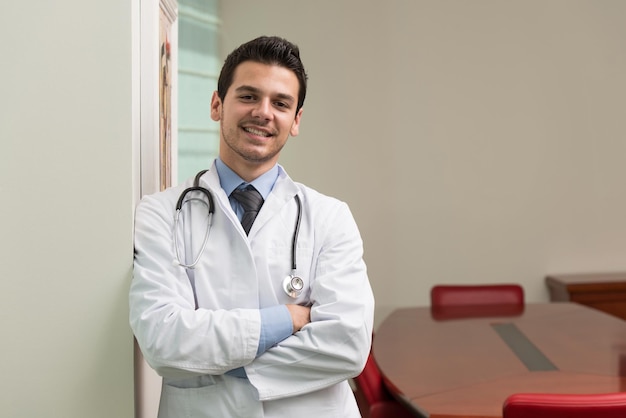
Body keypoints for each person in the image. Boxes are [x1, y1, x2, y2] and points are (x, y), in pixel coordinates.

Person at [129, 36, 375, 418]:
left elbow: (348, 344)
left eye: (280, 103)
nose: (263, 112)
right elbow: (163, 340)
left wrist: (213, 366)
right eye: (248, 96)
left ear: (296, 121)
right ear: (217, 105)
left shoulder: (330, 217)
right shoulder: (160, 214)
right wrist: (289, 319)